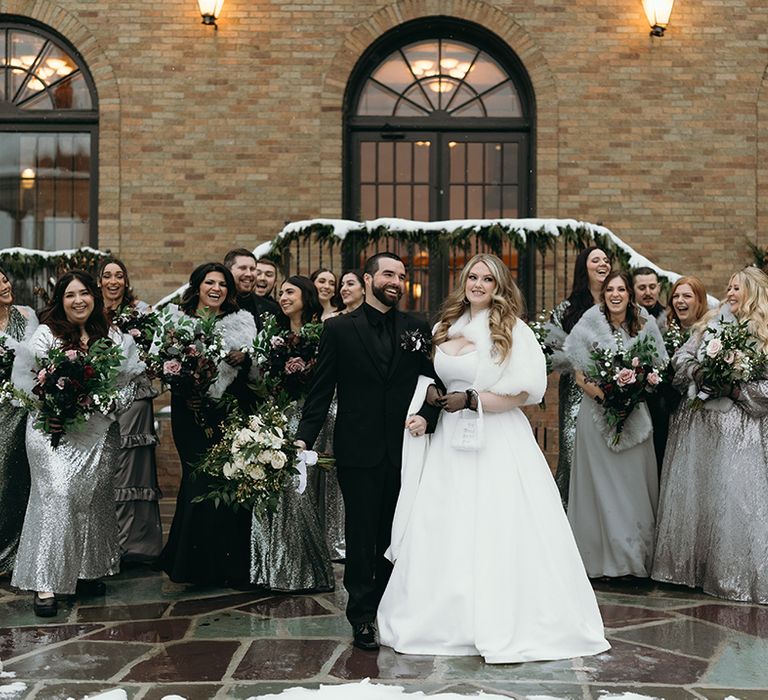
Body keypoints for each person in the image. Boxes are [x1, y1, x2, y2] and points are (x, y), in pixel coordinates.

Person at [376, 254, 609, 663]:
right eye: (472, 277)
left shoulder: (512, 330)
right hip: (449, 442)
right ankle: (440, 617)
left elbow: (525, 392)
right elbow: (431, 378)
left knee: (498, 522)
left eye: (487, 279)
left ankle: (504, 616)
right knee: (445, 522)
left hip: (496, 437)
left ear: (499, 287)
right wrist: (430, 402)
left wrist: (473, 399)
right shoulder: (443, 327)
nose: (478, 284)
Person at [294, 252, 440, 651]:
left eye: (402, 276)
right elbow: (321, 390)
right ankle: (362, 617)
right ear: (368, 278)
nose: (396, 281)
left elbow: (433, 381)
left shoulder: (416, 327)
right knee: (361, 536)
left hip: (406, 449)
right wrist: (304, 437)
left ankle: (391, 608)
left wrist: (429, 414)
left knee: (396, 534)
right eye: (388, 274)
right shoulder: (339, 330)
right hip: (358, 449)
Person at [11, 270, 143, 616]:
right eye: (70, 295)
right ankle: (46, 582)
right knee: (58, 495)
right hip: (51, 432)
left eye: (84, 293)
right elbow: (27, 381)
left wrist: (110, 403)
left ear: (95, 298)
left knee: (93, 499)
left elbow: (129, 384)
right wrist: (51, 408)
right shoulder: (46, 335)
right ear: (60, 301)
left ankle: (84, 570)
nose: (78, 300)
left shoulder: (114, 337)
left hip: (100, 433)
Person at [652, 266, 768, 603]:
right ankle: (693, 569)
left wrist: (735, 389)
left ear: (754, 292)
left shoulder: (763, 332)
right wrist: (703, 372)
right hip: (703, 431)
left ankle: (733, 574)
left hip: (742, 432)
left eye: (737, 288)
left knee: (736, 500)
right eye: (729, 287)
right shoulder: (712, 324)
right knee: (702, 495)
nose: (730, 293)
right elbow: (681, 358)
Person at [157, 262, 257, 586]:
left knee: (228, 479)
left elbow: (256, 373)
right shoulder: (176, 320)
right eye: (209, 282)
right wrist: (185, 390)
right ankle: (191, 564)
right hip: (190, 411)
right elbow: (163, 363)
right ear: (197, 286)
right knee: (198, 478)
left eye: (222, 284)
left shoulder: (242, 322)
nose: (216, 289)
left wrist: (247, 358)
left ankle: (227, 566)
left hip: (228, 410)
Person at [564, 270, 665, 579]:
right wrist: (607, 397)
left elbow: (657, 367)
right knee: (600, 489)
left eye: (622, 289)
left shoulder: (645, 325)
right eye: (610, 290)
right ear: (603, 294)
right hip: (597, 416)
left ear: (629, 294)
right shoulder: (588, 325)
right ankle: (600, 563)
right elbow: (580, 376)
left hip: (635, 416)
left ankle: (632, 561)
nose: (616, 294)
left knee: (631, 487)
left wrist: (632, 393)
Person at [250, 275, 334, 592]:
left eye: (290, 292)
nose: (283, 297)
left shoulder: (321, 333)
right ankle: (273, 568)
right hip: (277, 413)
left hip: (308, 416)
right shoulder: (275, 335)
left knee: (298, 489)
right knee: (273, 485)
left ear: (306, 296)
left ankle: (308, 570)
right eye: (281, 293)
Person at [98, 258, 163, 565]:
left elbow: (157, 352)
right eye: (107, 276)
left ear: (126, 280)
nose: (113, 281)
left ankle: (138, 545)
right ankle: (106, 543)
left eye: (119, 276)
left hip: (135, 397)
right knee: (105, 465)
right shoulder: (91, 312)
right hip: (102, 400)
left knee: (134, 466)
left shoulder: (143, 311)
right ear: (99, 282)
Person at [548, 246, 611, 506]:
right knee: (572, 455)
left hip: (610, 393)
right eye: (596, 260)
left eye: (607, 260)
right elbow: (551, 348)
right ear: (584, 267)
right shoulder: (568, 308)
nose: (603, 264)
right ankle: (566, 514)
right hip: (575, 392)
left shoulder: (618, 304)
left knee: (607, 456)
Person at [0, 268, 37, 575]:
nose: (4, 285)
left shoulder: (26, 316)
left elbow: (35, 359)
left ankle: (16, 554)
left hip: (20, 409)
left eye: (4, 279)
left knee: (17, 477)